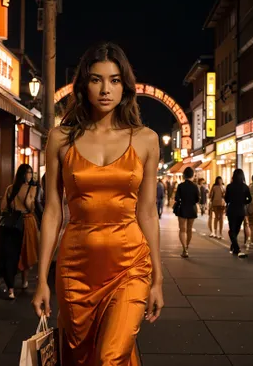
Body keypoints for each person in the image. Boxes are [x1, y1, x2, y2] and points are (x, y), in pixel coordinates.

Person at [32, 42, 164, 365]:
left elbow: (147, 212)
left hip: (130, 265)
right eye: (96, 79)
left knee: (109, 358)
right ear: (83, 85)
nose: (106, 89)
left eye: (115, 80)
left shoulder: (146, 139)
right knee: (79, 358)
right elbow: (52, 211)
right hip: (75, 269)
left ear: (125, 86)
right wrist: (40, 279)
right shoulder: (60, 138)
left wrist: (158, 278)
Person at [1, 164, 39, 299]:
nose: (30, 175)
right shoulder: (32, 189)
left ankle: (10, 288)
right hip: (27, 222)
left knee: (11, 254)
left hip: (12, 224)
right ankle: (24, 281)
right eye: (28, 173)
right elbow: (31, 207)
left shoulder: (10, 189)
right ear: (24, 174)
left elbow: (3, 207)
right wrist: (29, 201)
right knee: (26, 251)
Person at [225, 169, 252, 258]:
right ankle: (235, 247)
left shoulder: (229, 186)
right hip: (241, 210)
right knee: (236, 230)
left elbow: (226, 199)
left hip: (231, 210)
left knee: (232, 230)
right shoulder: (245, 187)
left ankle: (235, 246)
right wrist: (243, 201)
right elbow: (250, 199)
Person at [174, 167, 199, 258]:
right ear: (192, 175)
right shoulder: (195, 186)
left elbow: (176, 198)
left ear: (184, 175)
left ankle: (184, 249)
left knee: (182, 229)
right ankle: (187, 247)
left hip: (182, 208)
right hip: (192, 208)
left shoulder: (180, 186)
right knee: (189, 229)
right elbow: (197, 199)